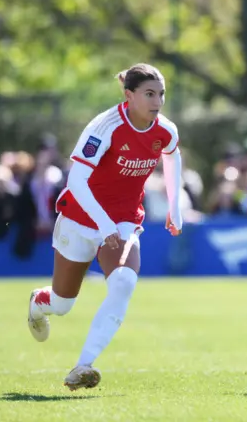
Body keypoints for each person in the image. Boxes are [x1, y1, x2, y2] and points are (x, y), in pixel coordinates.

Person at [26, 63, 183, 391]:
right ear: (129, 96)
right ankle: (38, 303)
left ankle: (83, 366)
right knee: (62, 303)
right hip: (80, 218)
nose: (157, 101)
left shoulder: (165, 130)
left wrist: (174, 207)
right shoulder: (105, 126)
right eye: (149, 94)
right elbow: (77, 179)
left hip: (125, 220)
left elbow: (172, 156)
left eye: (161, 94)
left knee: (124, 282)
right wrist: (102, 223)